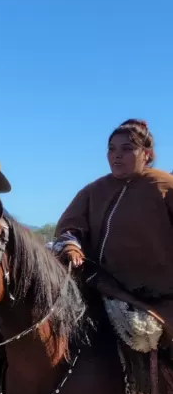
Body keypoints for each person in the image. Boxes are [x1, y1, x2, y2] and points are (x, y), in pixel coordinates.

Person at [52, 119, 173, 330]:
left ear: (147, 154)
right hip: (101, 288)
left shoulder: (164, 185)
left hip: (161, 296)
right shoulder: (93, 191)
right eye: (111, 149)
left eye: (127, 149)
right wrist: (71, 245)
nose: (116, 155)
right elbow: (70, 226)